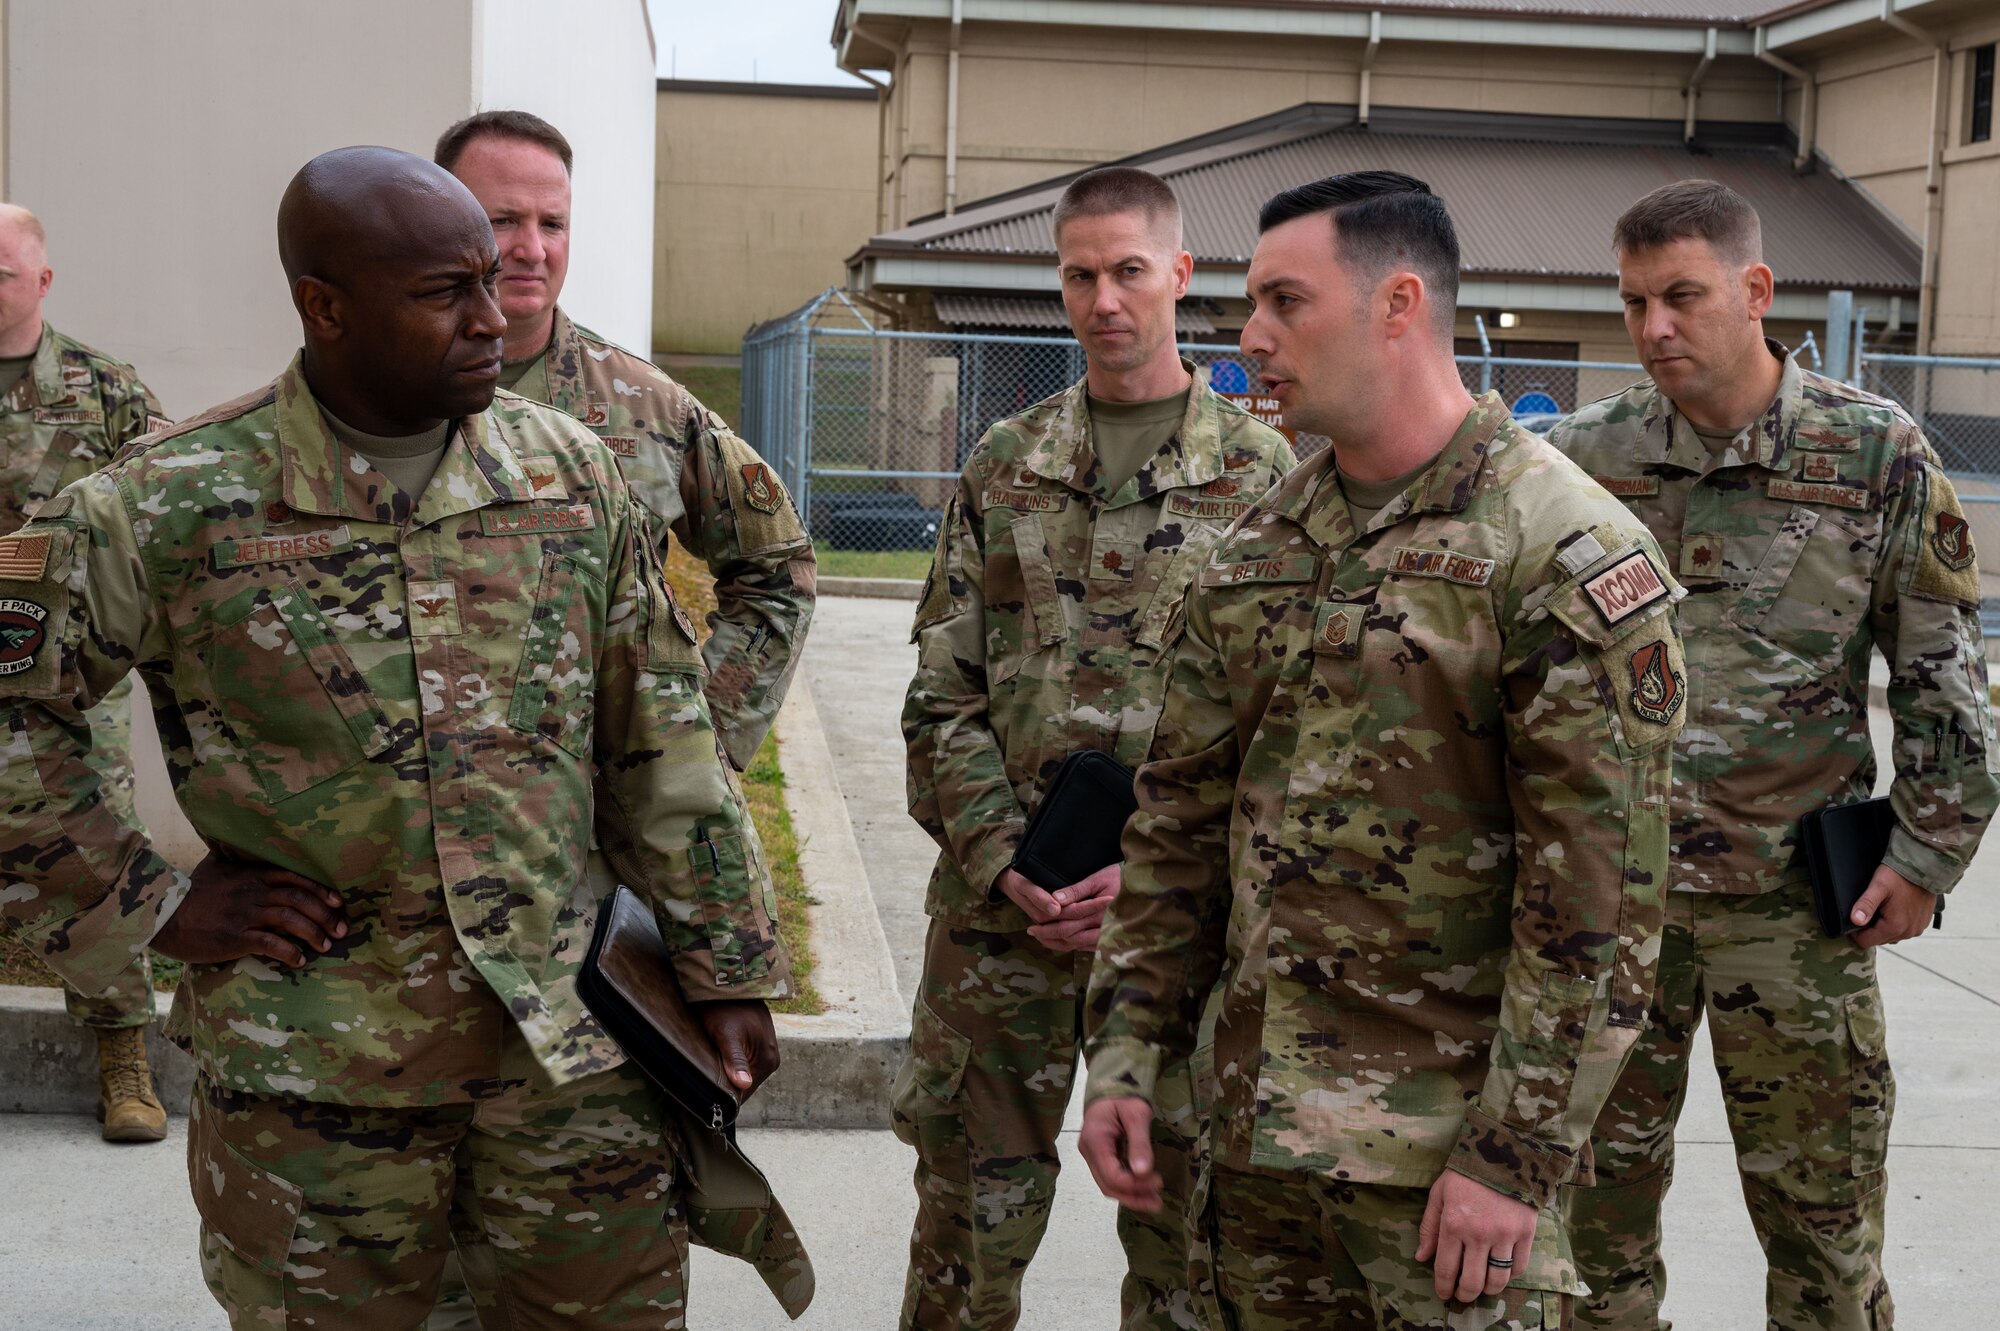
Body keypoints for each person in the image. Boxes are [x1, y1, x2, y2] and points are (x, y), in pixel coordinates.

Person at [0, 146, 800, 1328]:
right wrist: (146, 898)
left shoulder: (568, 473)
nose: (492, 316)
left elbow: (661, 731)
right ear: (323, 306)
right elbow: (21, 715)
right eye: (444, 292)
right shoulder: (167, 504)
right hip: (318, 1077)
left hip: (571, 1054)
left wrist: (723, 961)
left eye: (491, 277)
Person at [1076, 171, 1682, 1330]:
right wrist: (1124, 1048)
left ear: (1397, 304)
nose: (1249, 336)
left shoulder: (1559, 553)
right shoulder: (1257, 545)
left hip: (1439, 1185)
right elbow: (1175, 833)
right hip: (1246, 1160)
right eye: (1250, 303)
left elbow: (1597, 908)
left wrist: (1511, 1157)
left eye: (1284, 302)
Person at [1549, 178, 1997, 1331]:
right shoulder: (1577, 462)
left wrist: (1927, 853)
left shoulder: (1871, 451)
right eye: (1633, 300)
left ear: (1753, 292)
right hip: (1611, 913)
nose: (1651, 328)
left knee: (1824, 1246)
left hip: (1795, 918)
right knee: (1587, 1251)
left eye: (1680, 297)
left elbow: (1942, 671)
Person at [897, 165, 1294, 1330]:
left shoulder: (1267, 478)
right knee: (965, 1234)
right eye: (1079, 274)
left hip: (1177, 930)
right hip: (999, 929)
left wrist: (1165, 872)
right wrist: (997, 857)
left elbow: (1286, 728)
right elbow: (940, 687)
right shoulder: (1004, 461)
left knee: (1183, 1242)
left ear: (1179, 275)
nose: (1104, 298)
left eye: (1128, 271)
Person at [435, 110, 812, 771]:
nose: (532, 247)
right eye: (502, 220)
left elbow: (778, 568)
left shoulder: (645, 407)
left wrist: (701, 744)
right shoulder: (385, 398)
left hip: (594, 836)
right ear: (441, 224)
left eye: (551, 223)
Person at [0, 201, 173, 1142]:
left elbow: (165, 500)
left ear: (42, 281)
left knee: (93, 853)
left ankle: (123, 1050)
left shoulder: (103, 390)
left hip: (63, 675)